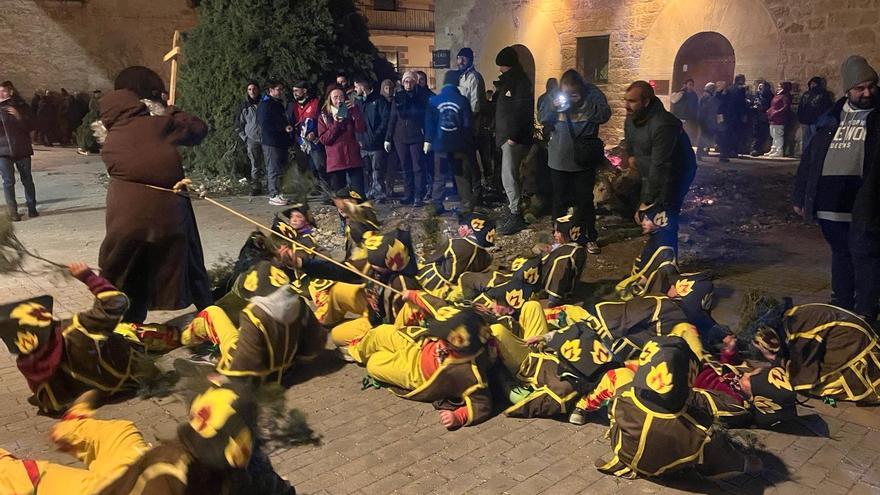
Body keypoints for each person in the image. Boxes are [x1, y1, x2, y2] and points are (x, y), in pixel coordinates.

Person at [0, 382, 293, 494]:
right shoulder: (241, 465)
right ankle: (72, 424)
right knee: (121, 431)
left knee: (19, 475)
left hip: (104, 490)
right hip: (135, 464)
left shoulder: (165, 479)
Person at [97, 66, 212, 323]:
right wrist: (170, 108)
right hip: (166, 212)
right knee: (189, 263)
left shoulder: (111, 131)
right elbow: (198, 129)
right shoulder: (159, 125)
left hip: (123, 215)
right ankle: (210, 317)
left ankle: (122, 329)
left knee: (127, 271)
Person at [0, 262, 164, 414]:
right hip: (122, 377)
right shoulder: (76, 329)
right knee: (142, 334)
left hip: (84, 393)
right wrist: (88, 277)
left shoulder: (28, 362)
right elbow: (116, 302)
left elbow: (47, 398)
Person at [596, 336, 761, 480]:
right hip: (658, 469)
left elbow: (614, 412)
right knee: (714, 445)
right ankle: (736, 463)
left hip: (622, 451)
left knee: (621, 376)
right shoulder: (700, 429)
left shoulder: (624, 396)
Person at [793, 55, 880, 321]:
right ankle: (841, 303)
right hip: (830, 203)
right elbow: (811, 157)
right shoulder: (830, 118)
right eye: (860, 88)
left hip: (865, 201)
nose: (867, 93)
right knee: (841, 255)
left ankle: (865, 310)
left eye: (871, 86)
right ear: (848, 90)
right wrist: (800, 195)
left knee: (865, 255)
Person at [349, 307, 495, 430]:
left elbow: (482, 405)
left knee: (374, 364)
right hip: (419, 345)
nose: (441, 341)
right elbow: (437, 305)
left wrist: (458, 417)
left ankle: (369, 355)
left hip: (416, 373)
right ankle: (355, 351)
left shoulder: (471, 374)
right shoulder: (466, 331)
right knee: (380, 332)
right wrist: (413, 295)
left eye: (445, 340)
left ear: (460, 347)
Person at [623, 81, 697, 272]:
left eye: (632, 101)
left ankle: (667, 268)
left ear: (646, 101)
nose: (626, 105)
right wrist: (632, 158)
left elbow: (660, 164)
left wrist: (647, 201)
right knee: (652, 219)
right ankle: (652, 260)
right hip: (653, 171)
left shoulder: (664, 124)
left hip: (676, 174)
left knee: (664, 218)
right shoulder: (632, 119)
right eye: (626, 100)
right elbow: (630, 145)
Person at [751, 299, 880, 404]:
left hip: (855, 350)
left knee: (820, 391)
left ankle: (831, 401)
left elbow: (804, 375)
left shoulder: (800, 332)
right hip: (856, 340)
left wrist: (774, 360)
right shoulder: (792, 316)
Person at [539, 69, 611, 254]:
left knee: (585, 201)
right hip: (558, 161)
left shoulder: (591, 99)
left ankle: (588, 237)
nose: (570, 99)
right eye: (566, 94)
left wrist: (588, 95)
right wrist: (554, 106)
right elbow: (543, 118)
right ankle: (560, 236)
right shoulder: (554, 98)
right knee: (559, 201)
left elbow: (605, 114)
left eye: (574, 95)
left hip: (583, 162)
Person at [494, 46, 535, 235]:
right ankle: (514, 207)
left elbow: (521, 111)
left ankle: (515, 213)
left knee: (509, 176)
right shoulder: (513, 80)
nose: (499, 69)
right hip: (508, 136)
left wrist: (512, 136)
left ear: (506, 64)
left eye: (501, 65)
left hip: (513, 138)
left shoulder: (518, 82)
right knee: (510, 175)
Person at [424, 70, 478, 213]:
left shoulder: (434, 101)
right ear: (456, 83)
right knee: (461, 176)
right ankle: (466, 205)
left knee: (440, 176)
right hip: (459, 146)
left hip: (440, 146)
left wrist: (428, 141)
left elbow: (429, 123)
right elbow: (467, 125)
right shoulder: (462, 101)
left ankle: (436, 204)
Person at [385, 71, 429, 206]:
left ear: (415, 82)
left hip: (416, 136)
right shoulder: (398, 97)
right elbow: (392, 118)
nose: (408, 84)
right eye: (405, 81)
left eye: (410, 81)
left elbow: (426, 119)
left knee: (417, 167)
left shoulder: (421, 97)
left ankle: (418, 195)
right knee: (405, 167)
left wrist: (427, 138)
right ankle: (408, 194)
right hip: (400, 137)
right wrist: (388, 138)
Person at [0, 80, 37, 221]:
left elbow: (31, 126)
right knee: (8, 181)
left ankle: (32, 207)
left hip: (22, 149)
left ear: (11, 91)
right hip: (3, 152)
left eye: (4, 91)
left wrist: (18, 116)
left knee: (27, 179)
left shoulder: (22, 106)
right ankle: (13, 212)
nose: (1, 94)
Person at [318, 86, 366, 194]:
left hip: (353, 159)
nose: (339, 100)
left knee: (358, 195)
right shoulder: (324, 116)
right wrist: (337, 123)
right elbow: (324, 139)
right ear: (330, 99)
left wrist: (355, 112)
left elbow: (361, 129)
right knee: (341, 197)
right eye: (335, 97)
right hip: (336, 161)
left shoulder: (351, 111)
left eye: (341, 97)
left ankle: (360, 211)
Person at [354, 76, 390, 201]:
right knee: (366, 171)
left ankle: (379, 194)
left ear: (362, 86)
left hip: (376, 143)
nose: (355, 89)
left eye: (356, 86)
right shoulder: (357, 102)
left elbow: (385, 119)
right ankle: (369, 193)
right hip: (362, 143)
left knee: (378, 170)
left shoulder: (379, 100)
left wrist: (377, 135)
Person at [289, 80, 329, 194]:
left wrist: (315, 132)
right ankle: (314, 188)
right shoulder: (293, 106)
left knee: (320, 167)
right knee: (308, 168)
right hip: (301, 143)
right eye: (293, 91)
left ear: (304, 90)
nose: (294, 93)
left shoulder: (316, 103)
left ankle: (327, 193)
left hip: (315, 142)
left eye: (297, 90)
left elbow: (322, 121)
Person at [257, 80, 293, 206]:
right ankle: (273, 194)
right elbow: (265, 124)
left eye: (281, 89)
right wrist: (282, 128)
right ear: (271, 90)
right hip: (271, 141)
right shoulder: (265, 105)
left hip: (280, 141)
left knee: (281, 167)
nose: (280, 92)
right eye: (278, 89)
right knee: (273, 167)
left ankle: (279, 191)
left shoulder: (277, 103)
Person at [235, 81, 262, 187]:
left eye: (254, 89)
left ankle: (272, 187)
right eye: (250, 89)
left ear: (258, 90)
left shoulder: (264, 103)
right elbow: (238, 125)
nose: (252, 91)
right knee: (255, 164)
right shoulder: (243, 106)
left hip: (266, 139)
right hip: (252, 139)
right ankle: (256, 185)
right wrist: (245, 138)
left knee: (270, 164)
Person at [797, 76, 834, 153]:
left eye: (815, 84)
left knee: (815, 138)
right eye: (811, 83)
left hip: (816, 120)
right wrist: (800, 117)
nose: (812, 85)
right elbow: (801, 106)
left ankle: (814, 154)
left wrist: (821, 118)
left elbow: (826, 107)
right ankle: (806, 155)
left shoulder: (823, 94)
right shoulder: (806, 94)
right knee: (806, 139)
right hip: (806, 120)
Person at [718, 74, 749, 161]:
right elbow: (741, 103)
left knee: (726, 134)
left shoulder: (729, 88)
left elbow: (723, 101)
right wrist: (744, 114)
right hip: (736, 115)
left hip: (727, 115)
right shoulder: (741, 89)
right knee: (735, 134)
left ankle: (724, 152)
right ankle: (732, 151)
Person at [765, 81, 793, 157]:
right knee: (773, 134)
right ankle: (773, 148)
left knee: (778, 135)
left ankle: (779, 150)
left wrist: (776, 112)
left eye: (780, 87)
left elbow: (785, 107)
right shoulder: (778, 95)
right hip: (773, 118)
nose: (778, 88)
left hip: (779, 118)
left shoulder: (785, 96)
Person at [670, 79, 700, 144]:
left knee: (688, 134)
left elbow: (695, 106)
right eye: (689, 85)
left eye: (692, 85)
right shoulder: (681, 93)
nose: (691, 86)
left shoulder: (694, 95)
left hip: (690, 118)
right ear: (686, 85)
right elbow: (673, 100)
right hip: (680, 117)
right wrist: (681, 91)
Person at [749, 80, 774, 156]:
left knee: (762, 134)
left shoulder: (769, 96)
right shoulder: (757, 95)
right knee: (756, 134)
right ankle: (754, 148)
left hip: (763, 117)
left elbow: (767, 105)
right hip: (756, 116)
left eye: (762, 87)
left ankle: (757, 149)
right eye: (759, 87)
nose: (760, 89)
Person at [696, 82, 720, 160]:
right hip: (705, 120)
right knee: (703, 136)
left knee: (704, 136)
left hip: (703, 119)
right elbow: (709, 109)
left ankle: (702, 151)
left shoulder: (704, 96)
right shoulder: (708, 97)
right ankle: (699, 153)